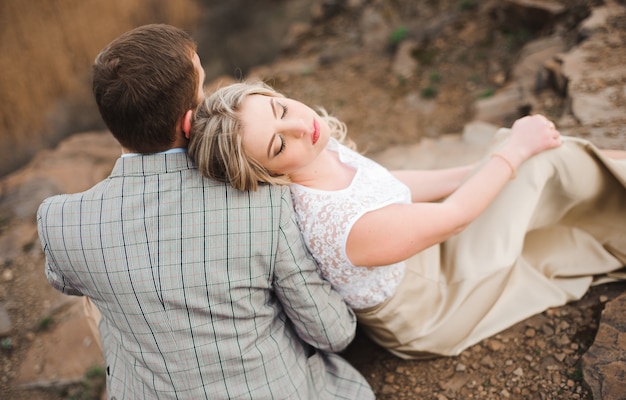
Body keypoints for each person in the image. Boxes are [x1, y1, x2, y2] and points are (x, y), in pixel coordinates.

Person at [36, 25, 374, 399]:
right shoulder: (260, 199)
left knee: (103, 288)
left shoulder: (61, 220)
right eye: (203, 86)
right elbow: (332, 332)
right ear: (188, 123)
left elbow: (64, 279)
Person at [188, 80, 626, 359]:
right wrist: (512, 154)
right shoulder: (340, 224)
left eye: (281, 109)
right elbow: (454, 217)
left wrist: (487, 161)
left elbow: (388, 184)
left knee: (515, 150)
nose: (302, 128)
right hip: (435, 301)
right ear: (268, 172)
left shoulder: (317, 150)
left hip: (429, 251)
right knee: (533, 161)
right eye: (280, 145)